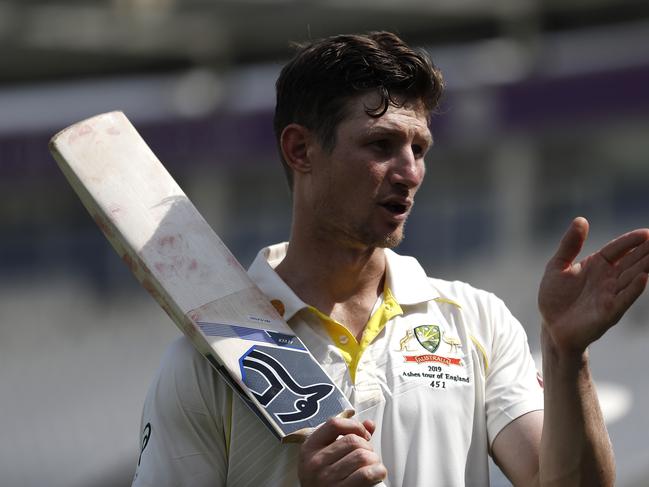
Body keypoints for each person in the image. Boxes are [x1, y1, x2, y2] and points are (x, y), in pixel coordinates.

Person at [131, 31, 649, 487]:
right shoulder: (205, 362)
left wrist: (564, 354)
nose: (410, 172)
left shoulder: (476, 321)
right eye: (381, 144)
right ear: (300, 151)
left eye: (419, 148)